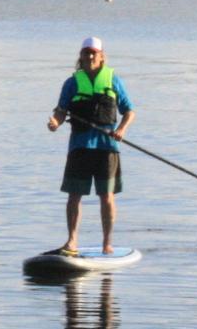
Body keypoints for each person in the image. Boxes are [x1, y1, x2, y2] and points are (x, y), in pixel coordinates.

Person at [46, 36, 136, 256]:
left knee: (106, 196)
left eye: (94, 52)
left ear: (101, 55)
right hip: (80, 146)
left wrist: (122, 129)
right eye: (86, 52)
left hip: (107, 148)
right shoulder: (72, 83)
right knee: (74, 195)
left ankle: (107, 243)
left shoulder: (113, 80)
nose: (90, 56)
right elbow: (61, 110)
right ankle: (72, 241)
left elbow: (129, 111)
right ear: (81, 56)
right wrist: (55, 122)